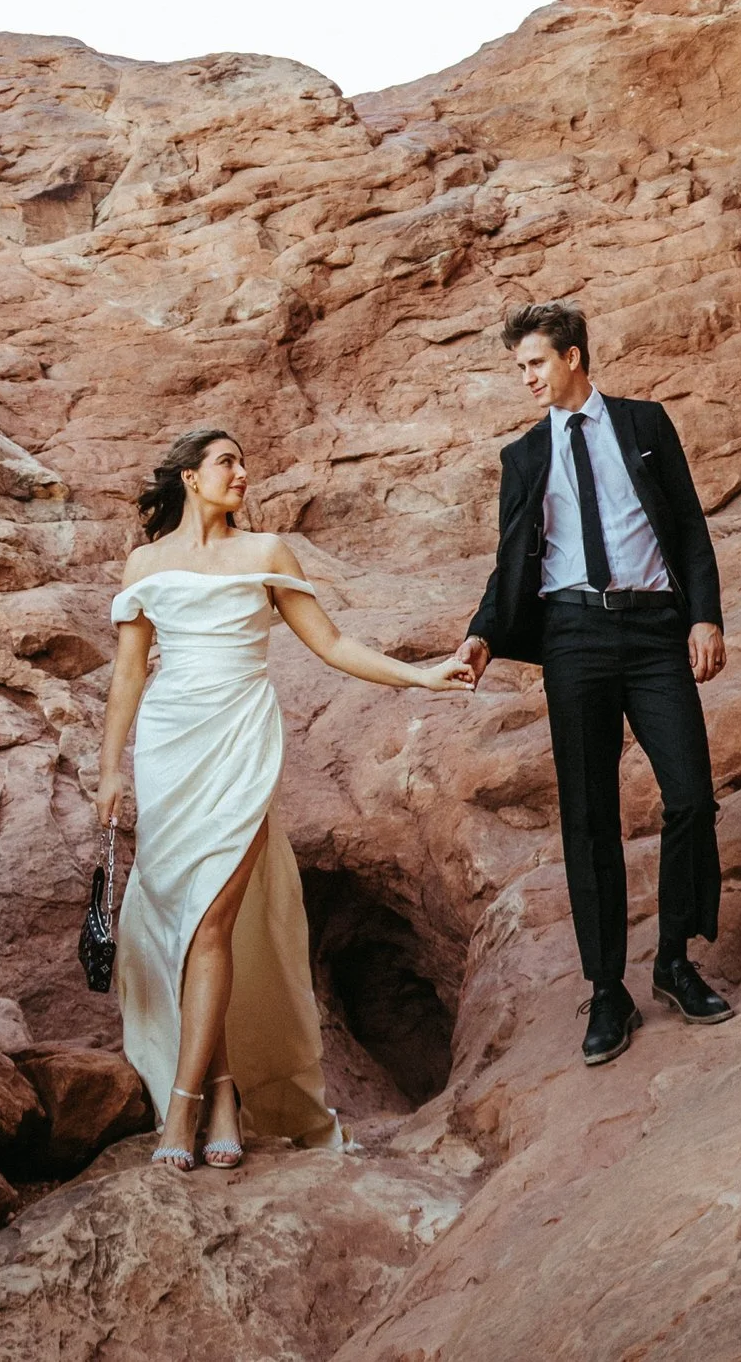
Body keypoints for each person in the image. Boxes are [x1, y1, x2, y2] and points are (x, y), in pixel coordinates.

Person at [97, 423, 468, 1167]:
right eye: (227, 462)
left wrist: (423, 676)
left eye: (242, 460)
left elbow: (330, 644)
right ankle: (226, 1092)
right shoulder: (145, 562)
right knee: (187, 925)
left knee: (209, 923)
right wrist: (111, 769)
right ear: (190, 479)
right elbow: (131, 673)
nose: (243, 473)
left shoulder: (265, 553)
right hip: (170, 749)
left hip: (238, 744)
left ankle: (182, 1112)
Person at [438, 299, 732, 1069]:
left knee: (692, 796)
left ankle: (675, 960)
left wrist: (704, 616)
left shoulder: (644, 424)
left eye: (535, 362)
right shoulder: (525, 456)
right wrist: (483, 633)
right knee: (589, 816)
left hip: (655, 631)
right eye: (519, 367)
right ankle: (607, 989)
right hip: (574, 636)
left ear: (572, 356)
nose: (527, 378)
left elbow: (691, 527)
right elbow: (511, 561)